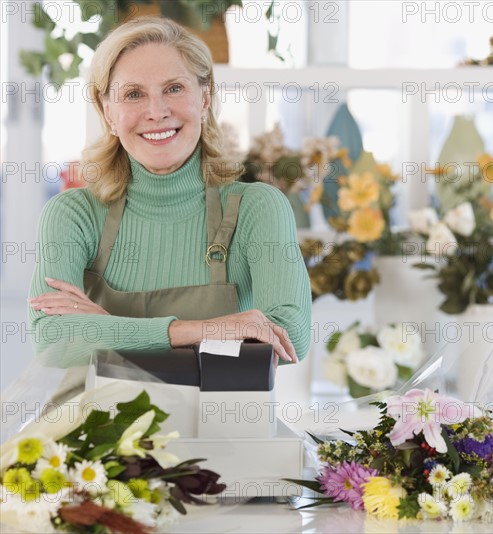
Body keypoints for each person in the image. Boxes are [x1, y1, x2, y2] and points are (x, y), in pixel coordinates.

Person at [28, 17, 312, 368]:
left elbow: (289, 336)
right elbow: (53, 342)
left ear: (204, 98)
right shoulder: (73, 215)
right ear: (108, 113)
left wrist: (105, 328)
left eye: (174, 88)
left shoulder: (257, 208)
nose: (157, 112)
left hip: (224, 421)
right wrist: (202, 330)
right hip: (106, 422)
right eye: (133, 94)